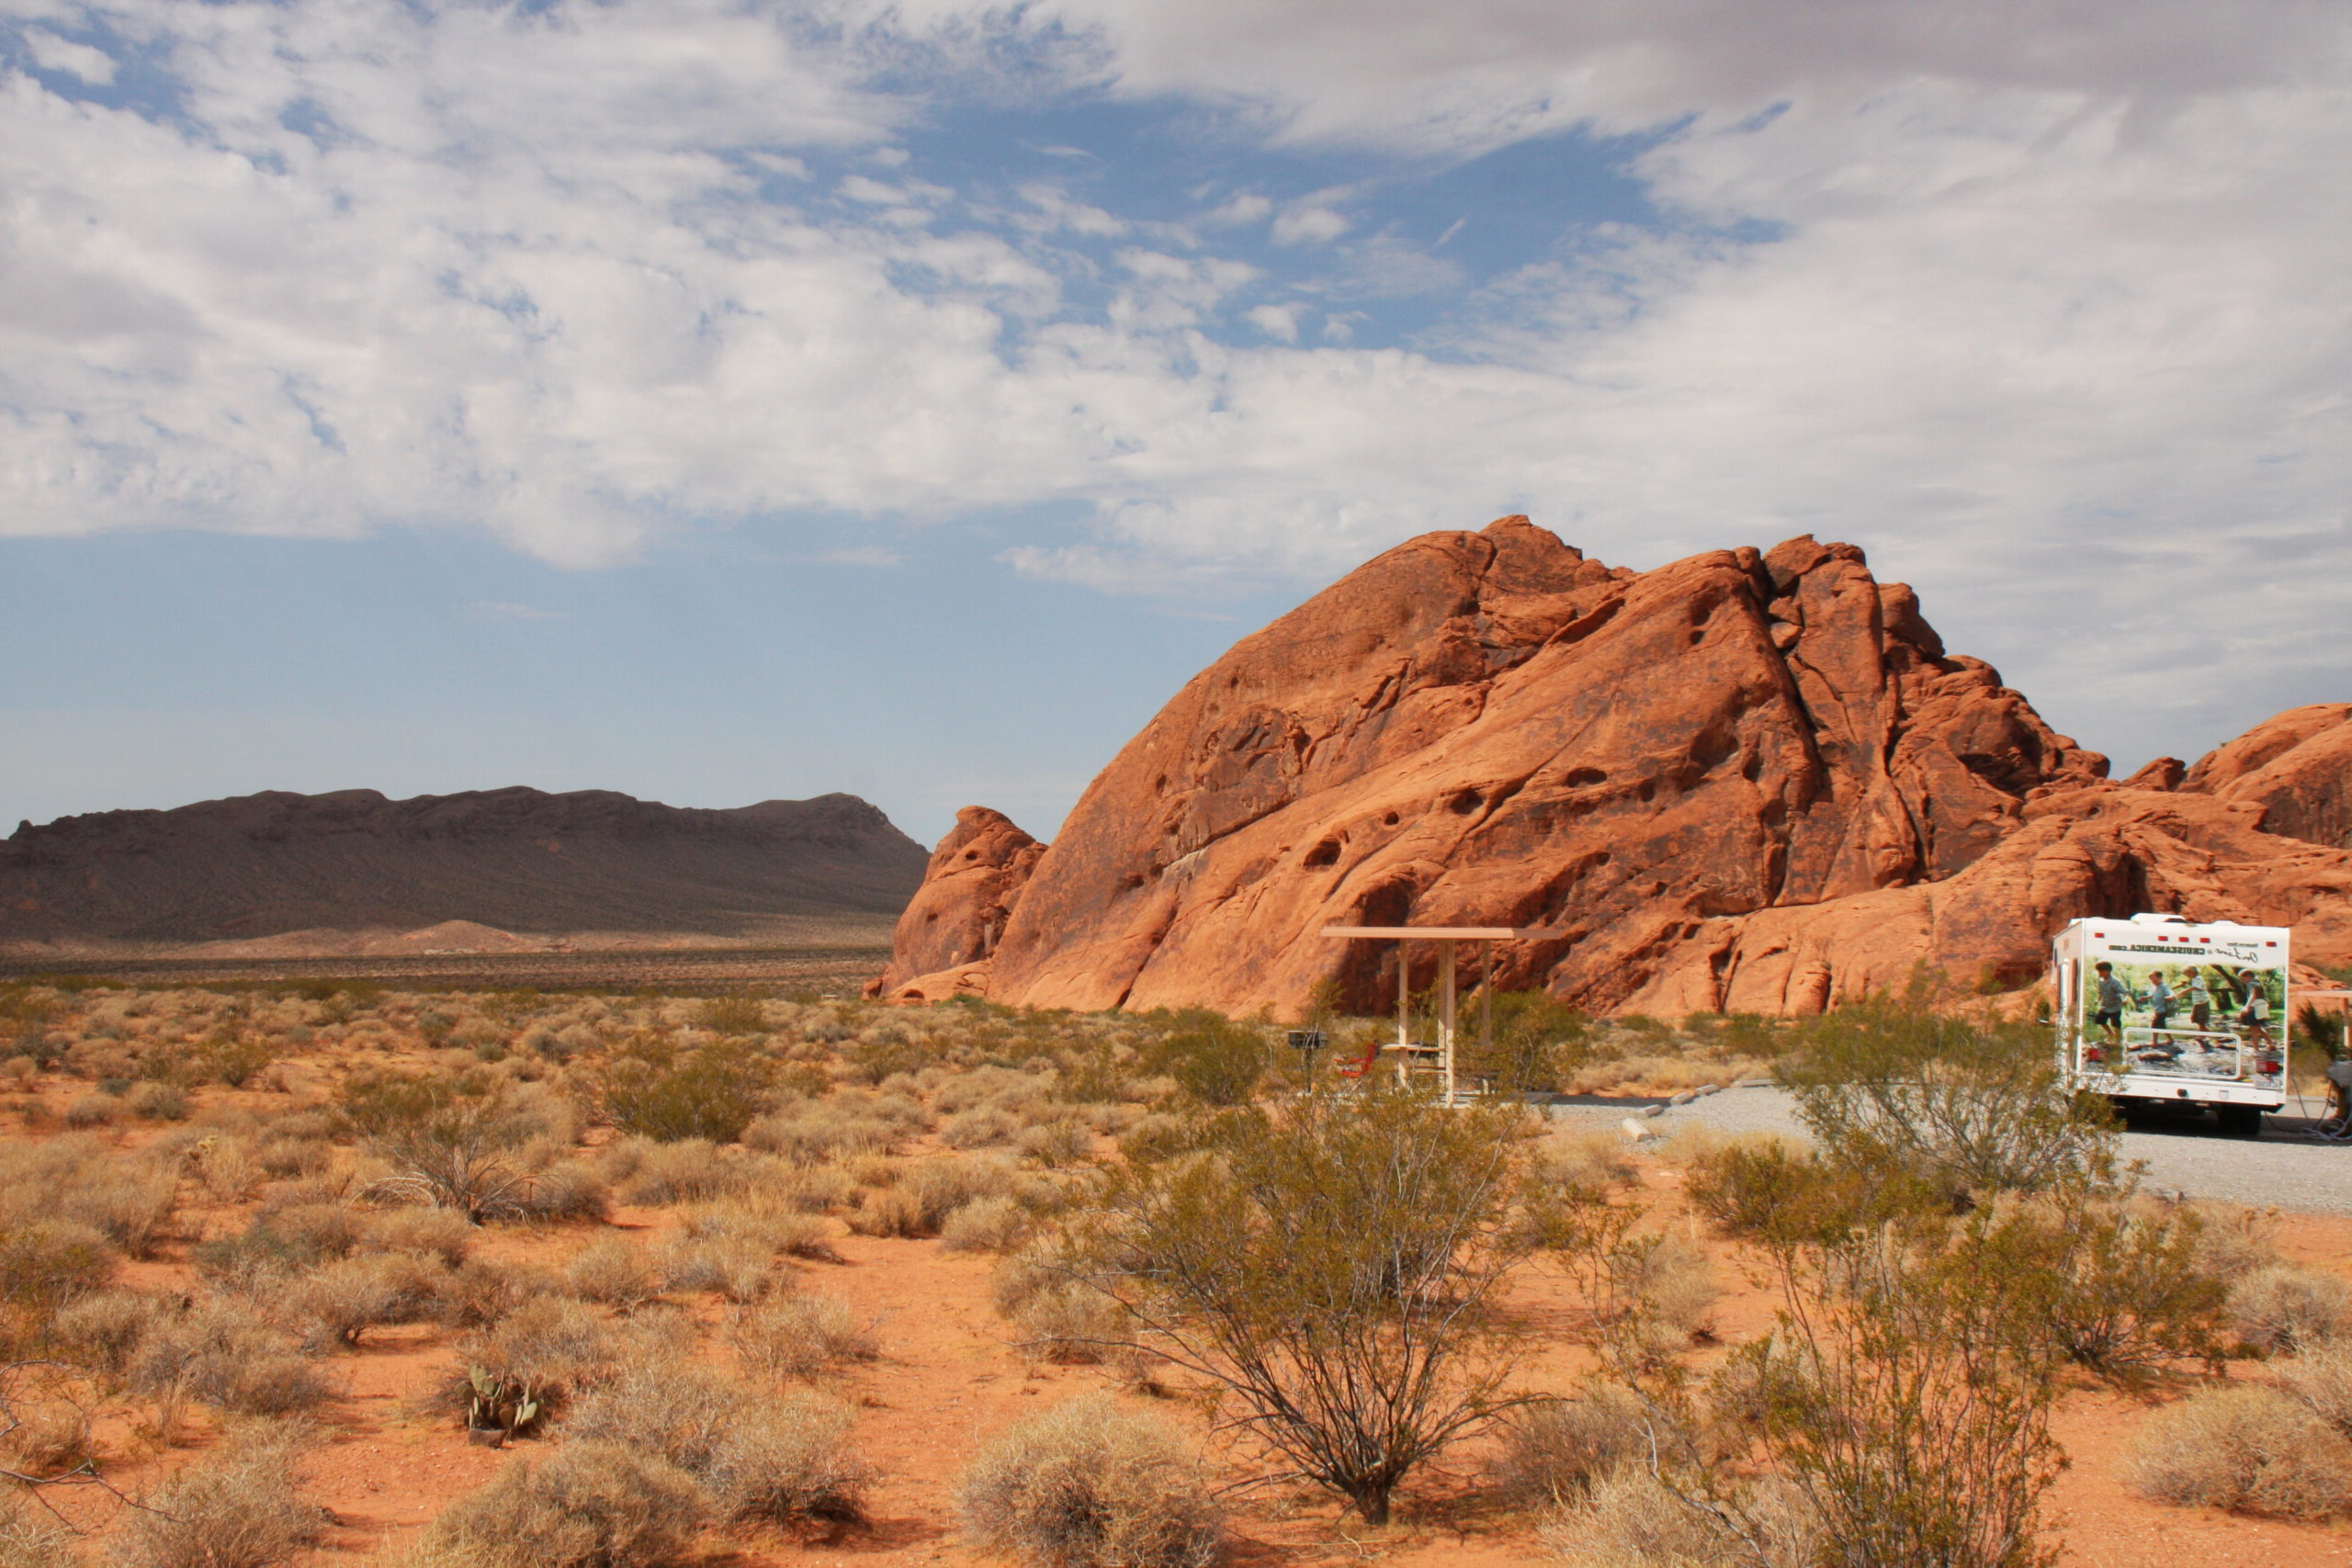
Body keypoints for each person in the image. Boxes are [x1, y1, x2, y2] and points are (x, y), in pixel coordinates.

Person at [2142, 970, 2180, 1058]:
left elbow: (2171, 993)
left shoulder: (2164, 986)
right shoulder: (2156, 987)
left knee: (2154, 1025)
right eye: (2151, 980)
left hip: (2162, 1010)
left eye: (2154, 979)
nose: (2152, 981)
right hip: (2157, 1009)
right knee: (2162, 1026)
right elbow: (2153, 995)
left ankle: (2154, 1042)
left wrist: (2170, 997)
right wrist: (2146, 997)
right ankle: (2170, 1039)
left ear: (2160, 978)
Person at [2091, 961, 2126, 1049]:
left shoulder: (2115, 982)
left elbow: (2126, 992)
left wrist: (2126, 999)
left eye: (2101, 971)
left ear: (2108, 971)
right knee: (2099, 1020)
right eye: (2099, 971)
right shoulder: (2101, 981)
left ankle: (2118, 1040)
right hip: (2105, 1006)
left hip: (2115, 1006)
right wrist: (2098, 1000)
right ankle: (2110, 1033)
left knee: (2116, 1024)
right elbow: (2101, 992)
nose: (2100, 973)